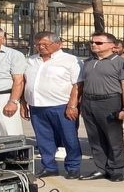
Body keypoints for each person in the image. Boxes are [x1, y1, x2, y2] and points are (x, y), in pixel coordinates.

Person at [21, 32, 83, 178]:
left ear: (58, 44)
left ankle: (73, 167)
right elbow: (24, 83)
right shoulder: (31, 60)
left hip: (61, 106)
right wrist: (23, 103)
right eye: (38, 44)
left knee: (69, 138)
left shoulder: (70, 60)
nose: (41, 47)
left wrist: (72, 105)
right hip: (37, 106)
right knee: (43, 138)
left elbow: (78, 84)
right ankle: (49, 166)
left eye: (45, 44)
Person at [76, 32, 124, 181]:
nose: (94, 45)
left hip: (110, 101)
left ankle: (116, 169)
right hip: (89, 101)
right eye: (92, 42)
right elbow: (81, 84)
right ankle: (101, 168)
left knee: (113, 137)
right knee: (95, 137)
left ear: (112, 45)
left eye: (99, 43)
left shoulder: (120, 62)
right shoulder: (88, 62)